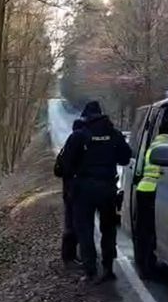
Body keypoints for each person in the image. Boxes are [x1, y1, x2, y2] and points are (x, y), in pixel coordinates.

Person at [57, 101, 133, 283]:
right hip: (108, 188)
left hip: (83, 190)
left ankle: (90, 271)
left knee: (85, 230)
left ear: (85, 117)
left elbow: (64, 166)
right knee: (109, 230)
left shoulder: (79, 136)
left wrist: (74, 179)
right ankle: (108, 268)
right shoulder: (114, 134)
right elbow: (125, 158)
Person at [133, 131, 168, 275]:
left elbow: (140, 169)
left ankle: (142, 262)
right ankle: (149, 264)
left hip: (143, 188)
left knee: (142, 230)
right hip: (156, 190)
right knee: (153, 230)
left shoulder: (152, 145)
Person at [54, 118, 86, 265]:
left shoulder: (68, 144)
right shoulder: (80, 143)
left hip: (68, 188)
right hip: (75, 189)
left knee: (70, 222)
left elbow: (60, 169)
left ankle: (68, 255)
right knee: (75, 223)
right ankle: (70, 255)